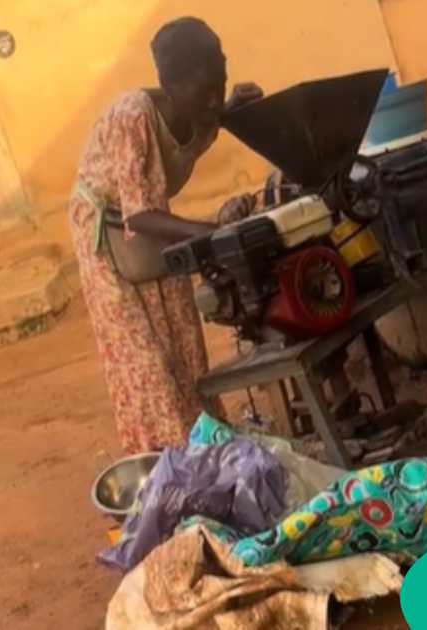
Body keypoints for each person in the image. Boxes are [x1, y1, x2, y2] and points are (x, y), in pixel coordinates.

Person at [68, 17, 263, 454]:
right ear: (169, 84)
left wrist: (229, 108)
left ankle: (209, 450)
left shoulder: (198, 113)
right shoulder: (132, 117)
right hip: (111, 238)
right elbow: (139, 216)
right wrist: (213, 233)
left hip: (151, 221)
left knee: (187, 350)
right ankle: (169, 463)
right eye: (205, 90)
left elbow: (187, 145)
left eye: (220, 81)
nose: (213, 97)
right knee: (148, 361)